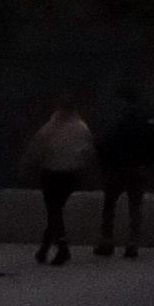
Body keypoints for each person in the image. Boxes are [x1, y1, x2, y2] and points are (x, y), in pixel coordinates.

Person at [94, 88, 154, 259]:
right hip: (139, 167)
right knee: (135, 206)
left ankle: (106, 242)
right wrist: (150, 160)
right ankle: (132, 244)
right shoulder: (148, 118)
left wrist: (104, 161)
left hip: (116, 167)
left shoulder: (116, 118)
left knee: (109, 205)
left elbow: (104, 141)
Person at [22, 100, 98, 267]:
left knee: (53, 210)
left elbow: (37, 148)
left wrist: (29, 165)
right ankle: (45, 247)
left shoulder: (50, 127)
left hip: (51, 172)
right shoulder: (81, 128)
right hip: (72, 174)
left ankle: (60, 246)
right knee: (56, 210)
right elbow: (88, 152)